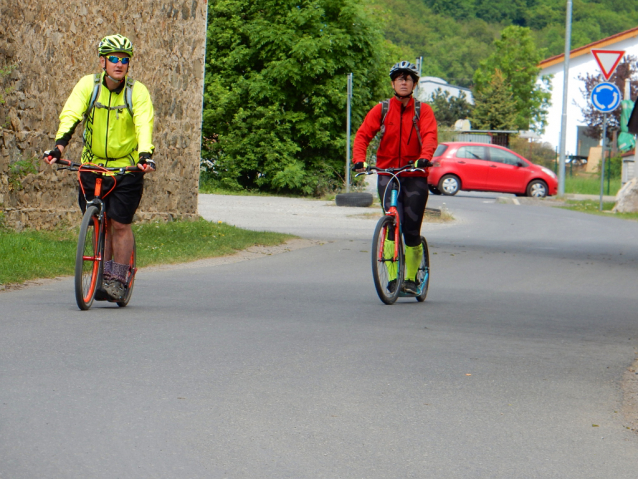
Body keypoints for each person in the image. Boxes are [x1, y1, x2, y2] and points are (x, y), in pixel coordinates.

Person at [44, 34, 156, 300]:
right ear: (103, 61)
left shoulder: (136, 92)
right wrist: (58, 147)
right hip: (93, 166)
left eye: (124, 60)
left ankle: (117, 278)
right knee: (100, 223)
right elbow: (71, 114)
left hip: (126, 169)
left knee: (119, 224)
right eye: (114, 59)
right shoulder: (88, 86)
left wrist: (145, 155)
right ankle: (100, 273)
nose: (119, 64)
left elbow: (143, 123)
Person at [352, 61, 438, 294]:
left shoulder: (423, 111)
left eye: (407, 78)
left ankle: (411, 279)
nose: (403, 81)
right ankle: (391, 280)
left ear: (414, 84)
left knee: (411, 229)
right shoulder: (381, 109)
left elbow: (430, 136)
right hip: (387, 174)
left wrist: (424, 156)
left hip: (414, 174)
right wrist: (359, 160)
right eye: (399, 78)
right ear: (392, 83)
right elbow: (362, 135)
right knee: (391, 225)